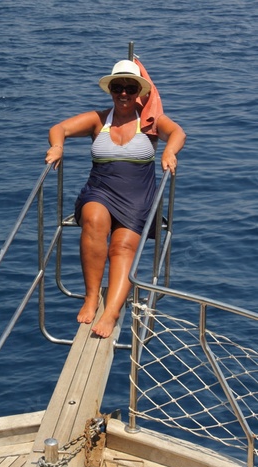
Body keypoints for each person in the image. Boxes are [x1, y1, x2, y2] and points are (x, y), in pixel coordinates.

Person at [45, 58, 186, 338]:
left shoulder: (151, 122)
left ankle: (111, 312)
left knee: (122, 247)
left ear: (138, 92)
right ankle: (91, 296)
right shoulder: (99, 119)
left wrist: (169, 151)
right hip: (100, 189)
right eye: (118, 87)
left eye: (130, 88)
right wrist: (58, 147)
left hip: (137, 195)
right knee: (94, 220)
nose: (124, 93)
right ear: (111, 89)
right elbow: (59, 128)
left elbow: (178, 132)